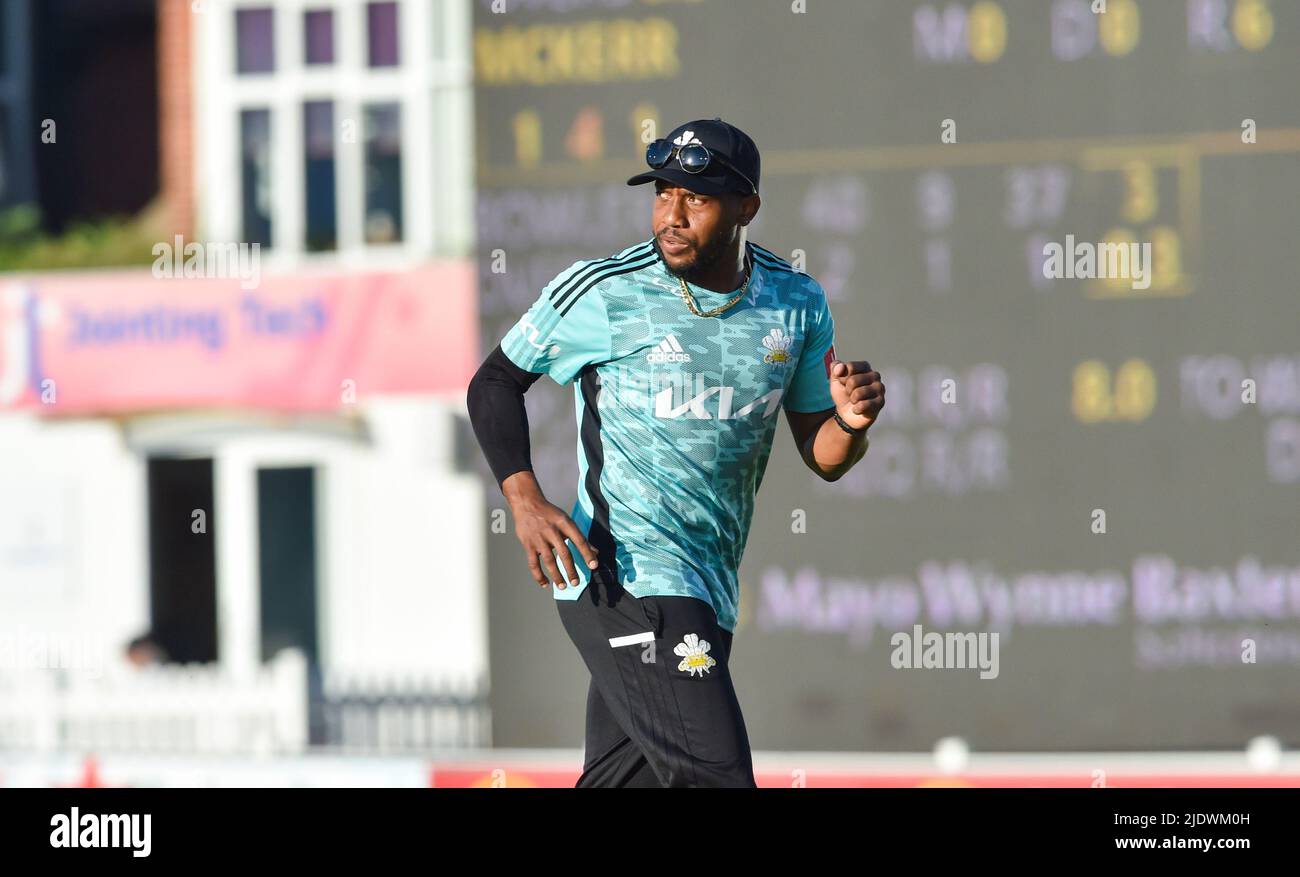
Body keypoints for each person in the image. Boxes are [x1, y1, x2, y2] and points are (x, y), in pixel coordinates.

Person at [467, 118, 885, 787]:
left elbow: (825, 453)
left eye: (697, 197)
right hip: (623, 573)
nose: (673, 214)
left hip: (708, 589)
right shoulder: (606, 289)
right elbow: (494, 381)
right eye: (663, 193)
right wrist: (524, 498)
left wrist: (852, 420)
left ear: (746, 206)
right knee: (718, 777)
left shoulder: (795, 302)